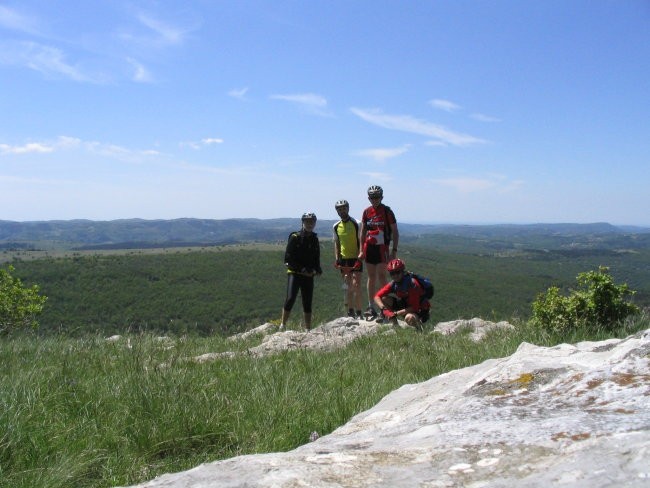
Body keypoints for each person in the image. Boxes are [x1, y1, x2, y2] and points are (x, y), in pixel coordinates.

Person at [358, 185, 399, 320]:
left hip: (383, 249)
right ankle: (371, 306)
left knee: (381, 276)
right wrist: (361, 250)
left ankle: (384, 306)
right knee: (371, 277)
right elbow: (362, 232)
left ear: (382, 197)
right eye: (372, 197)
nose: (375, 199)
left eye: (377, 197)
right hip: (369, 248)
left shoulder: (387, 211)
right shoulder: (366, 212)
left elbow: (395, 231)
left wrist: (394, 250)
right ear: (369, 198)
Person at [279, 212, 323, 331]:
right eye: (307, 221)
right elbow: (288, 259)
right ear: (302, 222)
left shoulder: (314, 238)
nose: (309, 224)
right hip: (295, 273)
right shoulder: (295, 237)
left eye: (312, 222)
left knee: (307, 301)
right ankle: (283, 325)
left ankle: (308, 329)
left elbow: (316, 257)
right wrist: (302, 269)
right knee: (290, 298)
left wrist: (317, 270)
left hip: (309, 274)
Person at [373, 258, 430, 330]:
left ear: (402, 272)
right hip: (406, 304)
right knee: (384, 299)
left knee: (409, 318)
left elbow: (414, 307)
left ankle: (419, 330)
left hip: (420, 309)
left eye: (397, 272)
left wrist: (396, 313)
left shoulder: (412, 285)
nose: (395, 276)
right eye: (392, 273)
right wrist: (384, 309)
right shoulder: (394, 284)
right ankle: (395, 325)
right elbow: (377, 296)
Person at [332, 199, 363, 319]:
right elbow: (336, 243)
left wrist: (360, 256)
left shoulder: (357, 223)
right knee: (348, 286)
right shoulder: (335, 226)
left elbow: (361, 241)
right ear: (337, 211)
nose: (342, 211)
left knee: (357, 285)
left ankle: (359, 312)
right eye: (339, 209)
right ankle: (351, 311)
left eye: (344, 208)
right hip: (344, 259)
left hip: (356, 258)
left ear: (348, 208)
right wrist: (337, 258)